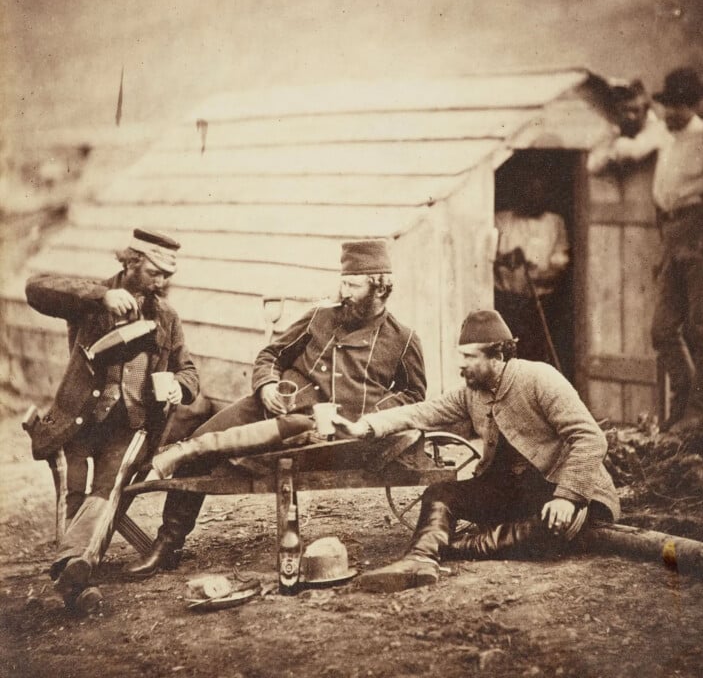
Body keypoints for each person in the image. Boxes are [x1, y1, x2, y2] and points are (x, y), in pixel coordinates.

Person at [127, 238, 427, 577]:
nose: (344, 292)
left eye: (353, 285)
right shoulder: (320, 317)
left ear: (381, 288)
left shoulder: (403, 338)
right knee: (200, 440)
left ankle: (171, 519)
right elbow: (271, 354)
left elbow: (414, 396)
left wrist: (367, 413)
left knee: (236, 450)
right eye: (343, 282)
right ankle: (168, 545)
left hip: (328, 432)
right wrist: (267, 384)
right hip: (272, 405)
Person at [334, 309, 620, 593]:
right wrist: (366, 426)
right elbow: (425, 411)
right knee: (439, 493)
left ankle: (451, 549)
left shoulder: (540, 379)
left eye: (470, 357)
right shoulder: (472, 392)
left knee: (548, 528)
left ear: (498, 356)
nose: (462, 365)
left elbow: (590, 438)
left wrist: (568, 498)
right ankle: (419, 559)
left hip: (567, 491)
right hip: (517, 491)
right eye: (462, 356)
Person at [25, 229, 200, 612]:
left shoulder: (166, 316)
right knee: (73, 492)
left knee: (109, 487)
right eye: (155, 272)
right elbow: (35, 288)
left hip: (132, 425)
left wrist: (177, 386)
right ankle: (77, 575)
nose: (162, 282)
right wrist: (100, 296)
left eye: (168, 275)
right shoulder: (91, 299)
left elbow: (189, 371)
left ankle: (74, 571)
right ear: (132, 262)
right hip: (79, 419)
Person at [648, 68, 703, 432]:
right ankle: (683, 400)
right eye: (668, 105)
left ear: (694, 105)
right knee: (663, 329)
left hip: (701, 233)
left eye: (679, 106)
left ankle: (700, 407)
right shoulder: (667, 140)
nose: (670, 113)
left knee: (702, 327)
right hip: (673, 236)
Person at [494, 174, 570, 363]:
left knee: (536, 358)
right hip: (508, 304)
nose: (533, 197)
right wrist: (507, 259)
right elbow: (483, 257)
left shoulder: (555, 223)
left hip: (541, 304)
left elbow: (561, 264)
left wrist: (538, 276)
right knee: (508, 358)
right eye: (528, 191)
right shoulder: (501, 220)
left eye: (539, 192)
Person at [586, 79, 673, 175]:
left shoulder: (659, 129)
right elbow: (592, 166)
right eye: (625, 110)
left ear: (645, 109)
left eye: (636, 110)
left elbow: (635, 151)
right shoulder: (611, 130)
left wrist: (610, 150)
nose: (631, 116)